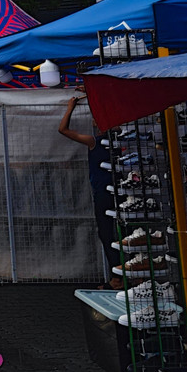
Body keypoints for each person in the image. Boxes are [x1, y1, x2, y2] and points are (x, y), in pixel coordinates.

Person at [59, 96, 121, 289]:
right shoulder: (119, 140)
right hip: (121, 191)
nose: (93, 122)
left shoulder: (94, 141)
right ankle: (127, 275)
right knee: (123, 234)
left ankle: (117, 278)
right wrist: (92, 94)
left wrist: (70, 107)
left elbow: (63, 130)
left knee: (107, 233)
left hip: (103, 193)